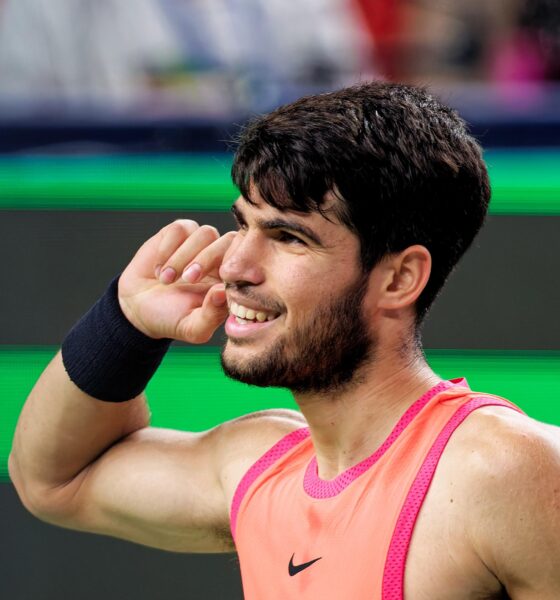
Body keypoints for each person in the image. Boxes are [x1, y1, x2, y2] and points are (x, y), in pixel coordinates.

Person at [9, 81, 560, 599]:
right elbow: (52, 480)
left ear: (399, 279)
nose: (236, 264)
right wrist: (126, 323)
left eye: (287, 236)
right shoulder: (261, 466)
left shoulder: (506, 470)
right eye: (244, 224)